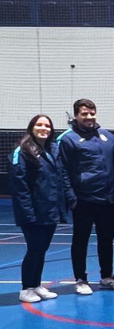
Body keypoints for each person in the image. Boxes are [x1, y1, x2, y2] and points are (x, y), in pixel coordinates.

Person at [57, 98, 114, 295]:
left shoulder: (107, 136)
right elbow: (63, 171)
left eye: (92, 113)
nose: (89, 117)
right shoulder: (68, 139)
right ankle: (81, 279)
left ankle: (107, 276)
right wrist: (72, 198)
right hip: (83, 200)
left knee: (106, 239)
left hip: (107, 199)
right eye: (84, 114)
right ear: (76, 115)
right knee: (80, 240)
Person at [10, 115, 67, 303]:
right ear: (31, 128)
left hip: (49, 211)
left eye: (47, 125)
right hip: (33, 213)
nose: (44, 128)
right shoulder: (22, 151)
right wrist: (28, 214)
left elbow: (56, 180)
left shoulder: (52, 149)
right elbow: (20, 187)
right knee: (34, 250)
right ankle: (26, 288)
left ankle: (36, 285)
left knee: (42, 249)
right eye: (39, 125)